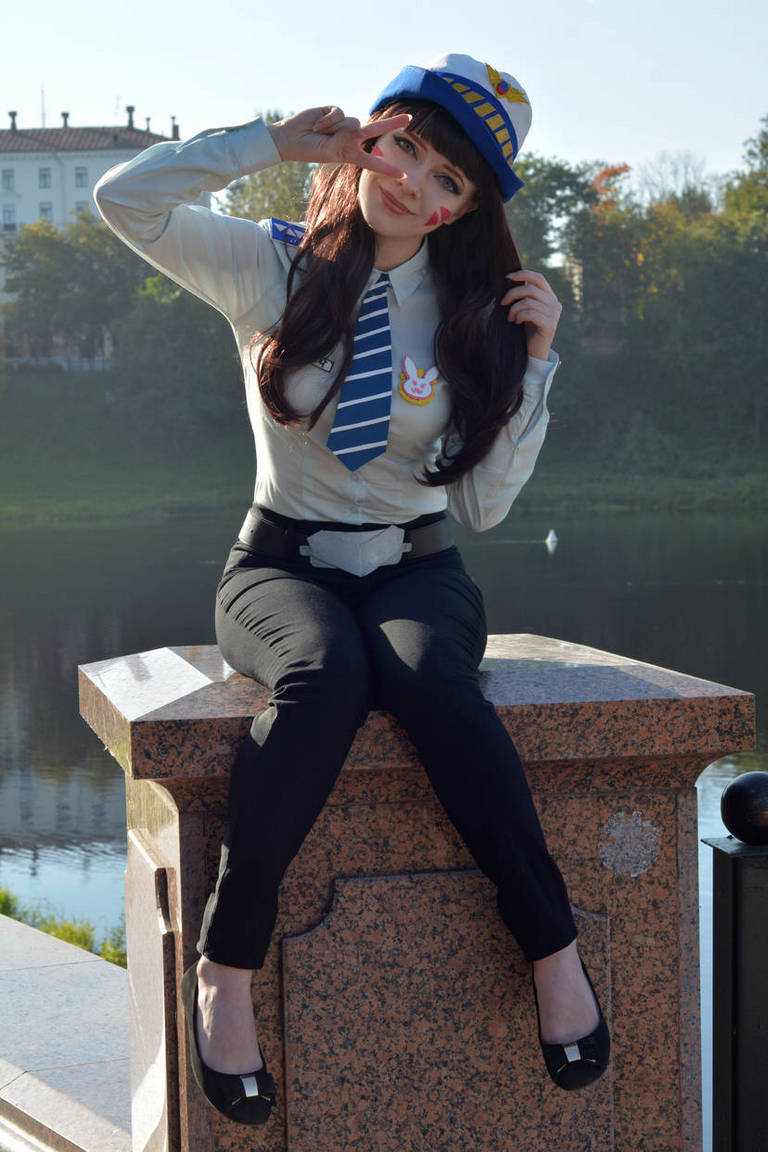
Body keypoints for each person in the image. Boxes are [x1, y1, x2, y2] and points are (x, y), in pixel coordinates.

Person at [95, 52, 610, 1127]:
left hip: (419, 565)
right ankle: (226, 969)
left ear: (463, 209)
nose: (413, 183)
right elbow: (122, 200)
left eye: (447, 179)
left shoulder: (471, 312)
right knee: (323, 679)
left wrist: (536, 364)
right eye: (405, 145)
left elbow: (483, 509)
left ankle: (554, 948)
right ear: (370, 134)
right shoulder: (271, 266)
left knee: (431, 685)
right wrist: (270, 145)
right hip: (278, 566)